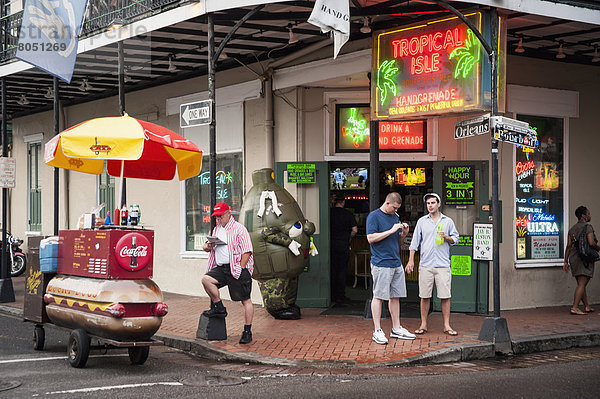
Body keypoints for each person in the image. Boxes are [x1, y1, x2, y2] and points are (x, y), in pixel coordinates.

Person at [406, 193, 459, 336]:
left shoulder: (447, 221)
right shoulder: (422, 222)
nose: (430, 205)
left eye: (433, 203)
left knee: (445, 296)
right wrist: (411, 260)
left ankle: (447, 325)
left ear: (439, 204)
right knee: (424, 296)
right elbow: (414, 243)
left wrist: (446, 237)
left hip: (442, 264)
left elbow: (456, 239)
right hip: (426, 264)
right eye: (428, 203)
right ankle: (423, 324)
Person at [366, 192, 416, 344]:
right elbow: (370, 238)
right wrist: (391, 230)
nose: (396, 211)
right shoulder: (374, 216)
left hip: (396, 262)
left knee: (396, 296)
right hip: (381, 263)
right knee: (379, 296)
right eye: (394, 208)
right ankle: (377, 330)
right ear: (387, 203)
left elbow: (397, 241)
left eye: (397, 208)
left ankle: (396, 328)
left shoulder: (395, 217)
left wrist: (403, 233)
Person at [202, 202, 255, 344]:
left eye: (220, 217)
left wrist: (242, 268)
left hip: (237, 267)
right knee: (206, 280)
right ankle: (219, 308)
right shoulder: (216, 230)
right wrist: (207, 246)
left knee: (245, 300)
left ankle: (247, 331)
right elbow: (207, 248)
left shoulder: (239, 229)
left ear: (228, 214)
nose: (218, 220)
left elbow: (247, 251)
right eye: (216, 217)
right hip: (221, 268)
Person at [563, 206, 599, 315]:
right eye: (588, 213)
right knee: (582, 284)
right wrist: (599, 248)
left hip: (574, 257)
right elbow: (591, 243)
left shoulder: (572, 229)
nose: (589, 215)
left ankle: (587, 306)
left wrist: (565, 261)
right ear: (583, 215)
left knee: (580, 283)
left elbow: (568, 246)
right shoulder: (588, 227)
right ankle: (575, 307)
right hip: (584, 258)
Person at [330, 195, 358, 305]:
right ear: (343, 202)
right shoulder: (348, 214)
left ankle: (332, 294)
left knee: (332, 270)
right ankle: (340, 296)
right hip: (343, 244)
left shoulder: (329, 213)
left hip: (331, 244)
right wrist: (348, 237)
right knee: (342, 270)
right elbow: (355, 230)